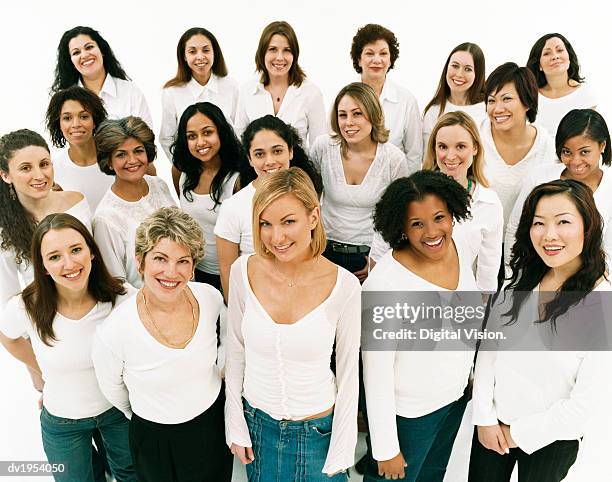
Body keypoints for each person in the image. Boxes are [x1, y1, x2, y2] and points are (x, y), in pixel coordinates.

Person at [470, 180, 611, 482]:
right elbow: (489, 351)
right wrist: (484, 417)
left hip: (552, 439)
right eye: (539, 223)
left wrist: (516, 434)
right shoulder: (520, 279)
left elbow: (584, 406)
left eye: (563, 222)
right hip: (492, 425)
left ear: (587, 227)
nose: (549, 235)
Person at [225, 168, 360, 480]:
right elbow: (235, 350)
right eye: (266, 224)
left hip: (317, 434)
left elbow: (349, 372)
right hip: (258, 428)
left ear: (313, 217)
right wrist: (235, 421)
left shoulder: (345, 286)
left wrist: (342, 448)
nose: (277, 237)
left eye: (288, 222)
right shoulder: (242, 271)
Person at [93, 206, 232, 482]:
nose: (172, 272)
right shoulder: (115, 330)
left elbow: (227, 338)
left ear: (193, 267)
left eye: (183, 261)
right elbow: (114, 390)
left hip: (211, 428)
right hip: (154, 438)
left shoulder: (209, 298)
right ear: (140, 262)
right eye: (160, 258)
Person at [0, 213, 136, 482]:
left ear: (92, 252)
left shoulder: (121, 297)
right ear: (42, 265)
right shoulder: (25, 306)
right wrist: (41, 370)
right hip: (63, 423)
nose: (69, 264)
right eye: (54, 256)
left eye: (76, 250)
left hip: (118, 414)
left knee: (131, 475)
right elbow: (8, 336)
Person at [362, 170, 477, 482]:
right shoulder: (385, 285)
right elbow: (376, 373)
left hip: (453, 401)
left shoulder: (457, 248)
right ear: (401, 227)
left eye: (439, 217)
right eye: (417, 224)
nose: (432, 232)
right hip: (409, 417)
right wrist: (386, 448)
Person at [214, 115, 322, 298]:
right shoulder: (233, 207)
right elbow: (228, 276)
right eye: (259, 154)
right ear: (249, 159)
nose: (270, 161)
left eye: (277, 151)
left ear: (291, 152)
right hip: (255, 303)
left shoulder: (308, 195)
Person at [310, 82, 408, 281]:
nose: (348, 122)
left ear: (373, 115)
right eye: (342, 115)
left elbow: (397, 216)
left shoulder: (393, 159)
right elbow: (308, 197)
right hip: (323, 251)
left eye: (357, 114)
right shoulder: (323, 147)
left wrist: (376, 260)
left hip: (368, 256)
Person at [505, 109, 612, 264]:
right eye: (567, 152)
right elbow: (515, 230)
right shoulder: (539, 177)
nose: (575, 161)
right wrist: (511, 279)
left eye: (584, 152)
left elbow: (609, 252)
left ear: (602, 145)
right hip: (536, 275)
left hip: (587, 281)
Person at [0, 129, 91, 310]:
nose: (40, 175)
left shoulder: (77, 203)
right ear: (5, 175)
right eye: (26, 168)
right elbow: (7, 301)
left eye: (44, 164)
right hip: (47, 318)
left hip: (96, 306)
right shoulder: (4, 230)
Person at [422, 111, 503, 292]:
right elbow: (384, 248)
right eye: (443, 146)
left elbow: (488, 271)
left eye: (460, 147)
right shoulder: (414, 194)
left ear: (475, 148)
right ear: (434, 149)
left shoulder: (489, 204)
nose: (450, 156)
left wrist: (481, 311)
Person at [92, 117, 175, 288]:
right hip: (145, 306)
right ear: (108, 162)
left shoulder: (159, 185)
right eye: (121, 154)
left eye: (138, 151)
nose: (132, 160)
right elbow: (117, 283)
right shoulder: (105, 218)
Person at [172, 102, 244, 291]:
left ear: (221, 132)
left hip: (231, 273)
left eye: (207, 132)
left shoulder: (237, 180)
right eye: (191, 136)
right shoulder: (182, 171)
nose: (200, 142)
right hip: (194, 271)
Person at [481, 62, 556, 229]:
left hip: (525, 248)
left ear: (527, 102)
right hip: (478, 247)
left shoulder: (546, 146)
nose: (497, 109)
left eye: (506, 98)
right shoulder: (475, 138)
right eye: (491, 100)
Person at [234, 21, 326, 148]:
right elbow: (240, 143)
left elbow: (319, 147)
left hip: (298, 167)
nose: (280, 57)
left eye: (287, 50)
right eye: (273, 49)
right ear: (262, 53)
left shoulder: (311, 93)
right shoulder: (247, 91)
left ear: (294, 54)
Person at [350, 24, 422, 171]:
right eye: (369, 53)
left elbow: (414, 156)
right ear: (359, 59)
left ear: (390, 60)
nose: (377, 60)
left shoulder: (406, 101)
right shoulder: (344, 99)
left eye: (383, 54)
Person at [160, 27, 239, 159]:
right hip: (191, 165)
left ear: (215, 52)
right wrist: (183, 165)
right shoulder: (171, 92)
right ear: (184, 56)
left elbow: (238, 130)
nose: (200, 56)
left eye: (206, 50)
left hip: (228, 163)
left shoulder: (230, 85)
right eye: (192, 51)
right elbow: (166, 138)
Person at [51, 26, 153, 129]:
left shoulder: (130, 92)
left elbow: (146, 137)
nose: (85, 55)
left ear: (102, 51)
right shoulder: (64, 100)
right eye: (76, 52)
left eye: (89, 47)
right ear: (71, 62)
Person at [45, 86, 113, 210]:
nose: (76, 124)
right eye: (67, 118)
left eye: (84, 116)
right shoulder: (55, 171)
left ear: (95, 121)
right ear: (58, 124)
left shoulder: (117, 156)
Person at [526, 33, 597, 137]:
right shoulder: (531, 95)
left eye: (559, 50)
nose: (555, 56)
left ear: (569, 57)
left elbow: (591, 137)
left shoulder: (584, 94)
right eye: (546, 53)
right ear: (539, 65)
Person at [422, 42, 487, 149]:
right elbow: (428, 159)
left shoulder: (487, 109)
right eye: (455, 66)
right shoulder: (434, 112)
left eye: (468, 69)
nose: (459, 74)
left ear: (477, 74)